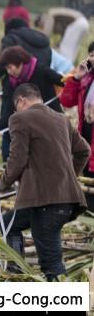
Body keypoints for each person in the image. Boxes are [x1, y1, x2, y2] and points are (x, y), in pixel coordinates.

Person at [0, 83, 89, 281]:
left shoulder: (20, 119)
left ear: (21, 101)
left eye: (16, 106)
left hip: (47, 204)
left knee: (52, 263)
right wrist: (68, 177)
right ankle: (16, 273)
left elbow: (17, 160)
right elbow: (84, 150)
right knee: (7, 224)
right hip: (57, 200)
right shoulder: (61, 119)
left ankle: (66, 304)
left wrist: (3, 183)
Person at [0, 18, 54, 161]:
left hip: (16, 93)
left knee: (9, 130)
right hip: (42, 94)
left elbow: (2, 66)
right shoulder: (42, 40)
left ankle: (9, 166)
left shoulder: (10, 39)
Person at [59, 41, 94, 210]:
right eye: (92, 55)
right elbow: (66, 100)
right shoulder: (86, 79)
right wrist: (76, 78)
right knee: (88, 177)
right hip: (86, 135)